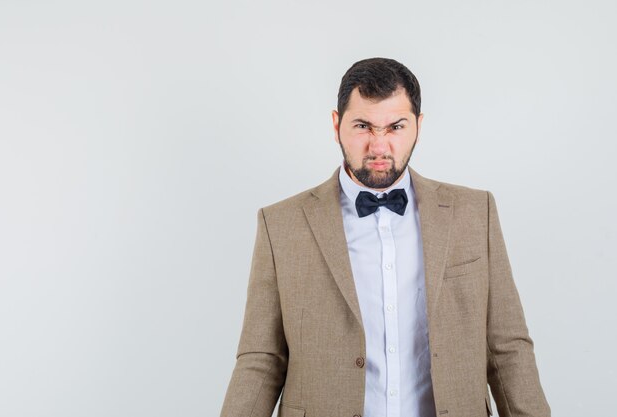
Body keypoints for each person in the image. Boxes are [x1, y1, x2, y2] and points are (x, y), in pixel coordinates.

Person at [219, 57, 550, 417]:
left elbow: (508, 348)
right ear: (336, 124)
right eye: (363, 126)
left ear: (418, 126)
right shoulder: (281, 224)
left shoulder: (474, 213)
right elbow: (261, 359)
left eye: (395, 127)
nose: (379, 147)